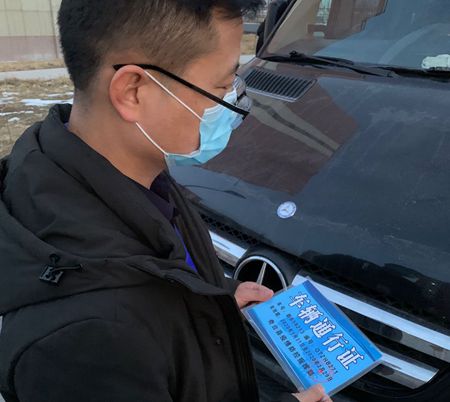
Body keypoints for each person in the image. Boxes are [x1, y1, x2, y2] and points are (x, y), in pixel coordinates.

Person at [0, 1, 333, 402]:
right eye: (221, 88)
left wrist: (208, 302)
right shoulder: (84, 340)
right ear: (133, 91)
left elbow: (160, 275)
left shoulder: (127, 173)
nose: (234, 107)